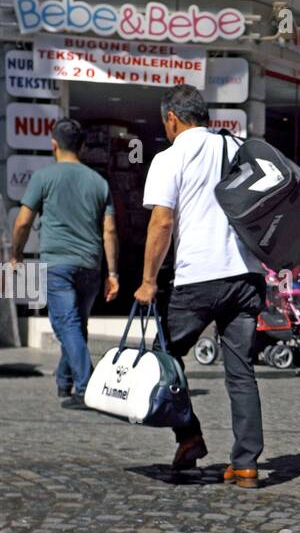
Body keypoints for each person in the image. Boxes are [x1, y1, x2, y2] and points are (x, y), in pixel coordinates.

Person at [136, 84, 266, 486]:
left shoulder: (170, 157)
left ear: (172, 119)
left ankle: (189, 436)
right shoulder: (240, 148)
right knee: (241, 373)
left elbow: (162, 222)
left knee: (165, 359)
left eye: (165, 123)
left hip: (199, 277)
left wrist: (147, 281)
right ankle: (246, 463)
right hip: (246, 276)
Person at [11, 118, 118, 408]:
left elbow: (22, 222)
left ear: (54, 144)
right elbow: (109, 230)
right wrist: (112, 273)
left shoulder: (44, 178)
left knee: (67, 325)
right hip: (90, 266)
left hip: (58, 265)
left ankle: (86, 388)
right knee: (76, 325)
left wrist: (16, 255)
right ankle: (64, 384)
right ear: (82, 147)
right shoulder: (99, 182)